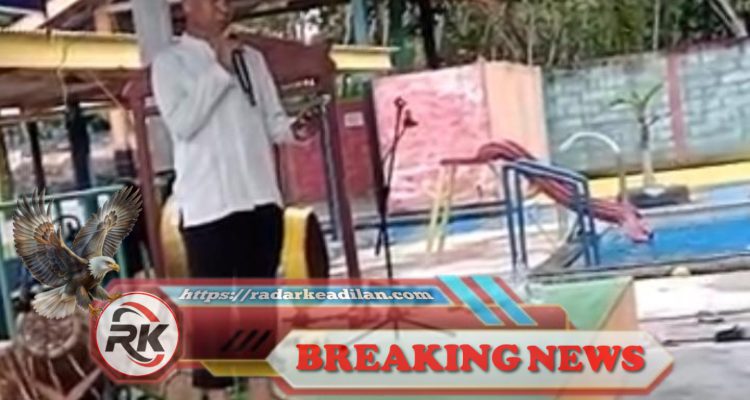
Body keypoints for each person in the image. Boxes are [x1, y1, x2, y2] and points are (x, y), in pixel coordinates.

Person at [151, 0, 315, 397]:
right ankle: (217, 394)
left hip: (260, 200)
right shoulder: (170, 64)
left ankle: (262, 391)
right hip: (208, 207)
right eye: (213, 1)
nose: (223, 8)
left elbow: (272, 120)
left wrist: (295, 129)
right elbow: (184, 124)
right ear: (188, 6)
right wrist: (219, 65)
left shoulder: (251, 59)